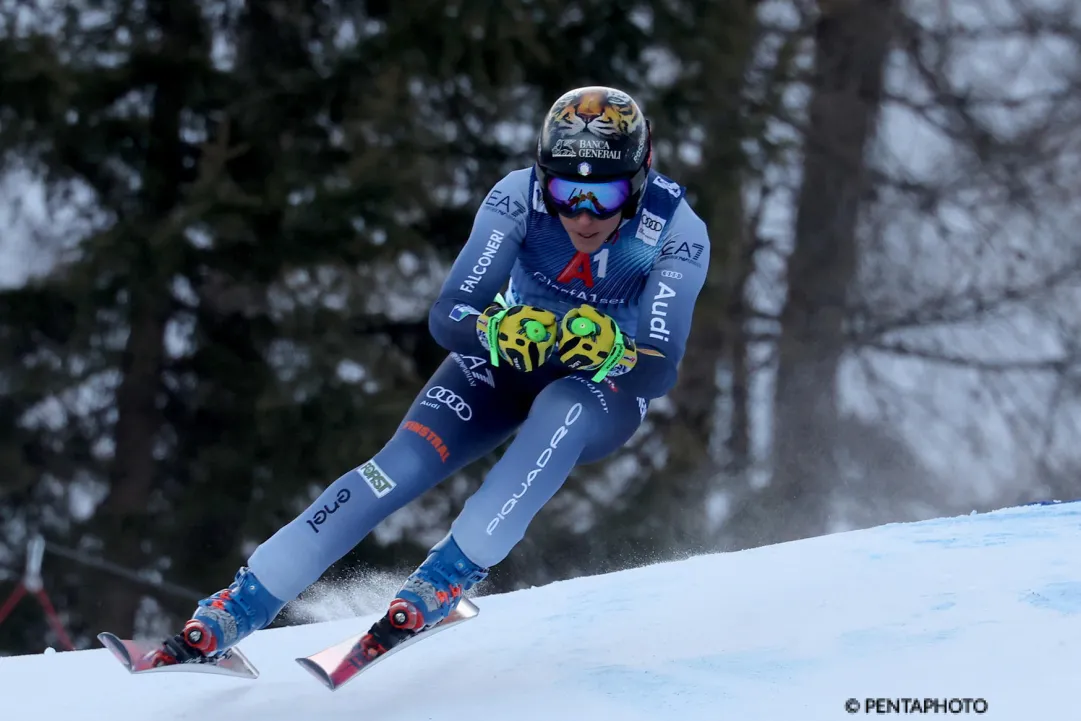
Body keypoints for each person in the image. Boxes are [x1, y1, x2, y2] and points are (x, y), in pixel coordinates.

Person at [144, 85, 711, 667]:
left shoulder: (675, 231)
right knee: (399, 466)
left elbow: (659, 368)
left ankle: (447, 576)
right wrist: (494, 330)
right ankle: (240, 604)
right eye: (567, 192)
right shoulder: (517, 198)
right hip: (511, 360)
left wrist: (615, 350)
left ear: (638, 180)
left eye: (605, 194)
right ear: (544, 179)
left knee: (560, 410)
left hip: (600, 390)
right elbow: (449, 315)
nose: (583, 216)